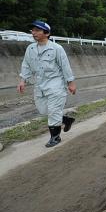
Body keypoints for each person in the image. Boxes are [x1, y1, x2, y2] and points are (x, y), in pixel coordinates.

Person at [17, 20, 77, 148]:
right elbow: (26, 65)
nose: (34, 33)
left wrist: (70, 83)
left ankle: (55, 137)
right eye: (33, 30)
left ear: (47, 33)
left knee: (54, 111)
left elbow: (65, 66)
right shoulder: (31, 48)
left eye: (37, 30)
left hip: (55, 83)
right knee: (43, 110)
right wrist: (23, 80)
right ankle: (66, 119)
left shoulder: (56, 48)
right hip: (39, 84)